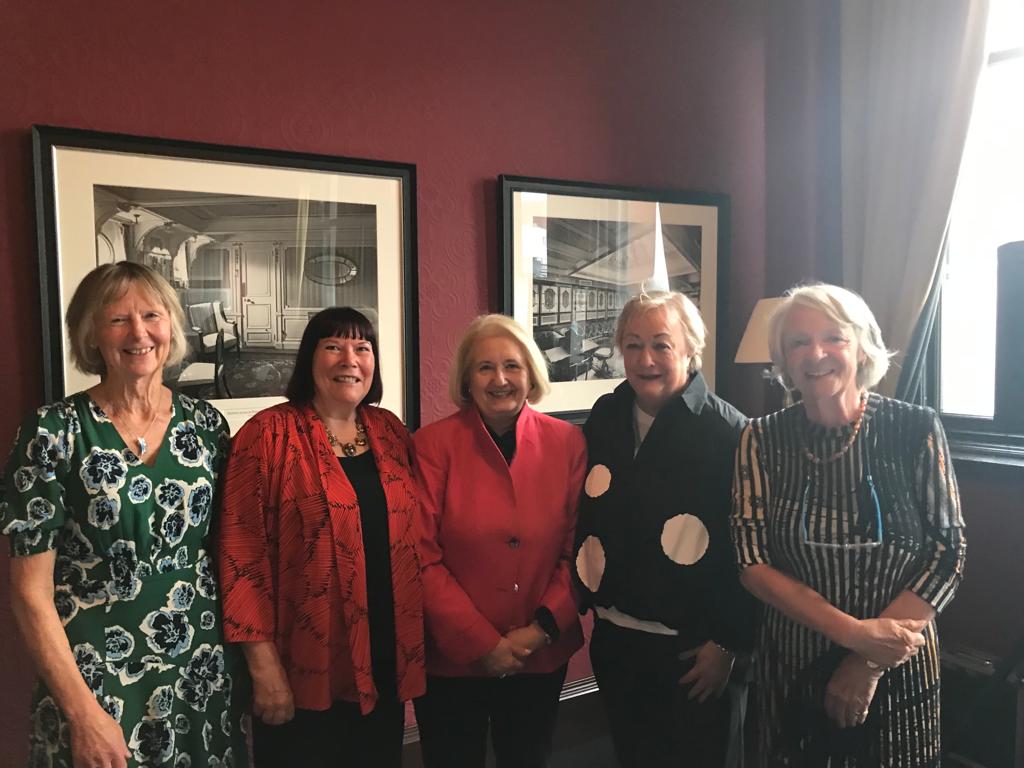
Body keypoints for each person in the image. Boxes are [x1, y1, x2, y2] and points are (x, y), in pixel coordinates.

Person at [1, 261, 247, 767]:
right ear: (91, 335)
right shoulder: (52, 432)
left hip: (198, 667)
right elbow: (29, 593)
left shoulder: (207, 426)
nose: (139, 333)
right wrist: (82, 713)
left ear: (171, 326)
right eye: (118, 320)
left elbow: (230, 551)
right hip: (93, 676)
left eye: (151, 315)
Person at [731, 282, 967, 767]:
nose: (816, 353)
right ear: (784, 360)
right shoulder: (760, 438)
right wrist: (854, 634)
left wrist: (868, 659)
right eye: (798, 342)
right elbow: (751, 563)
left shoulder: (915, 428)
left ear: (861, 347)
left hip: (898, 664)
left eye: (833, 337)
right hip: (793, 662)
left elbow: (948, 553)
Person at [217, 307, 424, 768]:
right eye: (333, 346)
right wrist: (263, 666)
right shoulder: (266, 435)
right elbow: (240, 556)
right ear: (309, 359)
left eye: (362, 348)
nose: (349, 360)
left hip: (385, 655)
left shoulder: (390, 431)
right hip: (304, 663)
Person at [572, 290, 753, 768]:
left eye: (661, 344)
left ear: (691, 349)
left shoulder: (729, 433)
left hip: (696, 652)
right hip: (616, 641)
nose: (645, 359)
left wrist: (729, 644)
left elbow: (752, 548)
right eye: (632, 345)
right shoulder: (606, 418)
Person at [413, 314, 586, 768]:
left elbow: (579, 551)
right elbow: (420, 557)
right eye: (484, 367)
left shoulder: (568, 443)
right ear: (466, 379)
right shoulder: (431, 446)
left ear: (531, 373)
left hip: (539, 650)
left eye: (512, 366)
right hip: (453, 657)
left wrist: (541, 629)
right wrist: (482, 643)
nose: (500, 379)